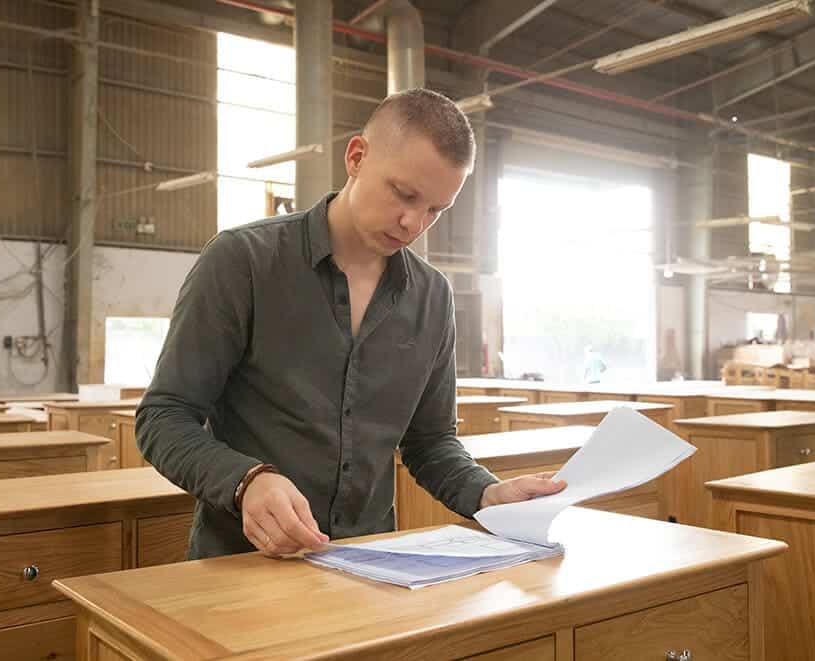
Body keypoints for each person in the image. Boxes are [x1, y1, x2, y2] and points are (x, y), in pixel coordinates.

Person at [136, 88, 566, 560]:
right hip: (243, 563)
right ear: (357, 157)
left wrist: (487, 494)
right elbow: (164, 417)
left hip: (371, 567)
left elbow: (431, 443)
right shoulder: (243, 262)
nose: (412, 222)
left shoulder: (432, 297)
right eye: (404, 194)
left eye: (435, 210)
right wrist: (245, 480)